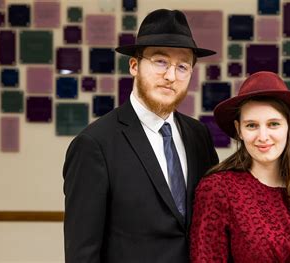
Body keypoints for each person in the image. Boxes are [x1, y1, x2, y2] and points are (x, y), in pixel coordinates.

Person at [63, 9, 219, 262]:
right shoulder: (94, 144)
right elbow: (83, 252)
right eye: (160, 61)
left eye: (182, 66)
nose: (171, 76)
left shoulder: (199, 135)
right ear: (134, 65)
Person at [190, 71, 290, 262]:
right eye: (251, 125)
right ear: (239, 129)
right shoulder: (218, 189)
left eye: (273, 124)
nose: (263, 136)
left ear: (289, 126)